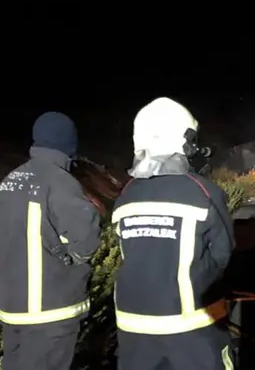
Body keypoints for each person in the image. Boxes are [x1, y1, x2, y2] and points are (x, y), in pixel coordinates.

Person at [111, 97, 235, 370]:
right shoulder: (203, 192)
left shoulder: (125, 196)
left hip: (132, 328)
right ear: (185, 141)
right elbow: (223, 253)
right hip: (192, 328)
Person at [0, 112, 102, 370]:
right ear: (69, 146)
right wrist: (69, 258)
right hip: (51, 313)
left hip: (12, 309)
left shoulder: (9, 181)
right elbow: (86, 237)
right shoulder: (60, 182)